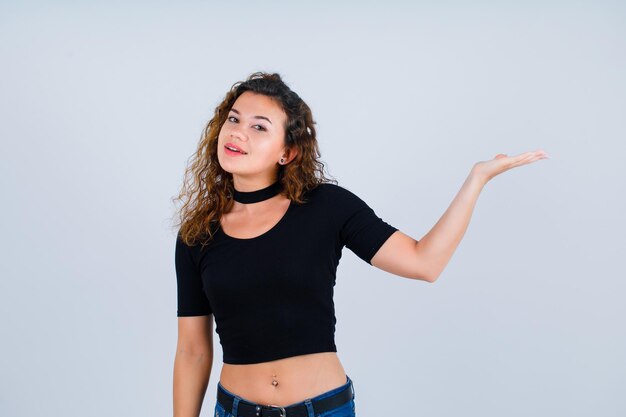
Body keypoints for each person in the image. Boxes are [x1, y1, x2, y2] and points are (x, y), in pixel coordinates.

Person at [171, 72, 549, 417]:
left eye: (259, 127)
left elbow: (424, 263)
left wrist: (476, 179)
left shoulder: (326, 207)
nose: (238, 132)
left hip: (325, 409)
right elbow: (192, 351)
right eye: (234, 119)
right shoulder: (197, 233)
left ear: (287, 152)